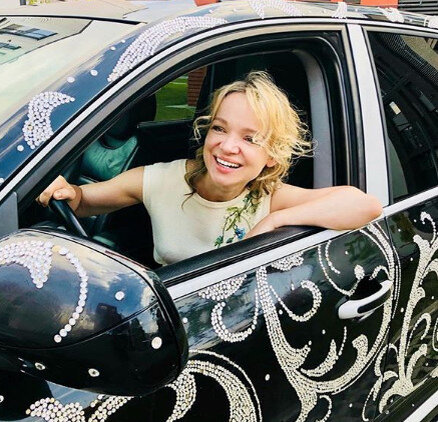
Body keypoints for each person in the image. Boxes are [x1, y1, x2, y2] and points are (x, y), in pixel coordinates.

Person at [38, 71, 382, 266]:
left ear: (272, 156)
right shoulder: (161, 179)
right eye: (219, 128)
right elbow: (82, 201)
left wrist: (274, 222)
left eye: (250, 138)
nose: (227, 146)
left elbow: (365, 205)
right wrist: (67, 191)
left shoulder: (270, 197)